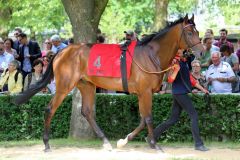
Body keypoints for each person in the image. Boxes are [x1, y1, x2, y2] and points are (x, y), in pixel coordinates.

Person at [153, 49, 209, 152]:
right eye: (180, 50)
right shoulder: (175, 62)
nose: (182, 51)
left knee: (173, 119)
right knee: (194, 115)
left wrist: (203, 89)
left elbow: (191, 80)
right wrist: (175, 70)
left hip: (179, 93)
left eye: (182, 50)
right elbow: (169, 79)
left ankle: (152, 137)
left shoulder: (183, 62)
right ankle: (198, 144)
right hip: (180, 93)